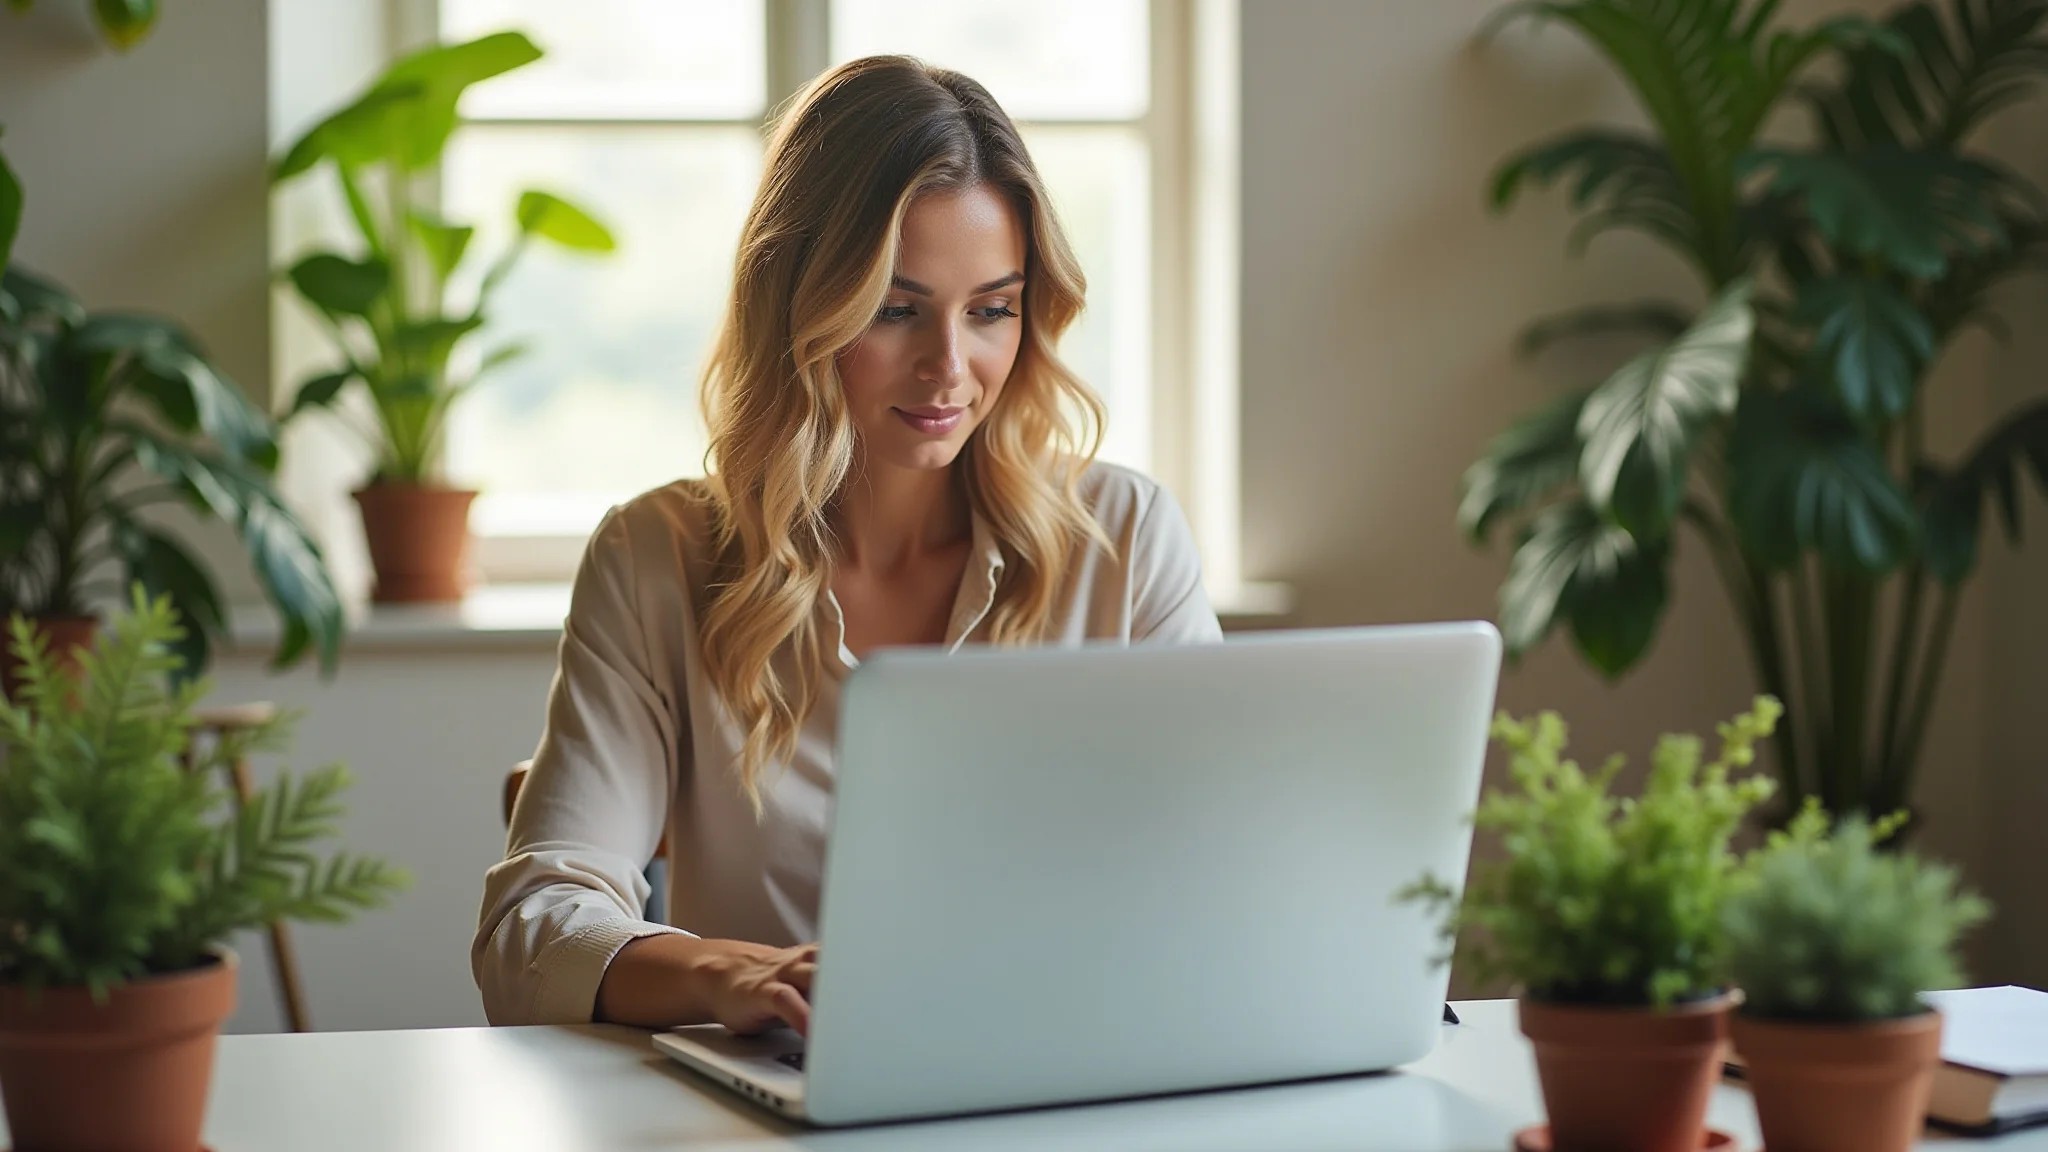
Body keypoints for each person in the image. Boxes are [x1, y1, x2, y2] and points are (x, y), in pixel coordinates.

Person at [472, 54, 1221, 1034]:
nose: (949, 368)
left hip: (1069, 1092)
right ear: (802, 306)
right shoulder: (656, 558)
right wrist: (723, 979)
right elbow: (530, 927)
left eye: (990, 310)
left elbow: (1219, 879)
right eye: (894, 309)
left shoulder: (1123, 543)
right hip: (773, 1117)